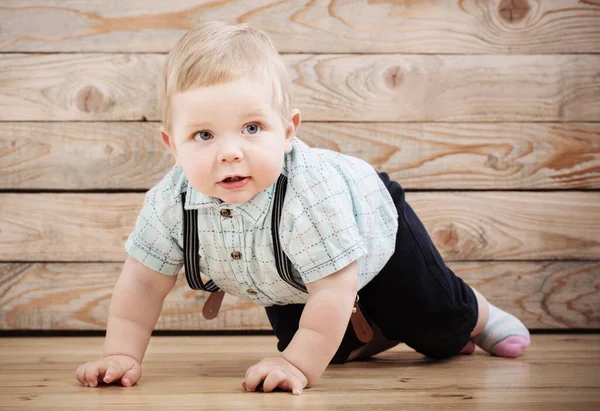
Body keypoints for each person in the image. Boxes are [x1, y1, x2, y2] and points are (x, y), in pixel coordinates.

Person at [75, 21, 530, 395]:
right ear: (171, 145)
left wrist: (298, 366)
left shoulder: (308, 198)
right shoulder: (170, 203)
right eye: (204, 135)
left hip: (372, 229)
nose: (230, 152)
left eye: (252, 127)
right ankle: (377, 334)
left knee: (435, 326)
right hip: (286, 277)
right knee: (320, 345)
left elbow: (333, 290)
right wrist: (121, 353)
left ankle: (476, 313)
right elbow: (142, 284)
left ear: (288, 131)